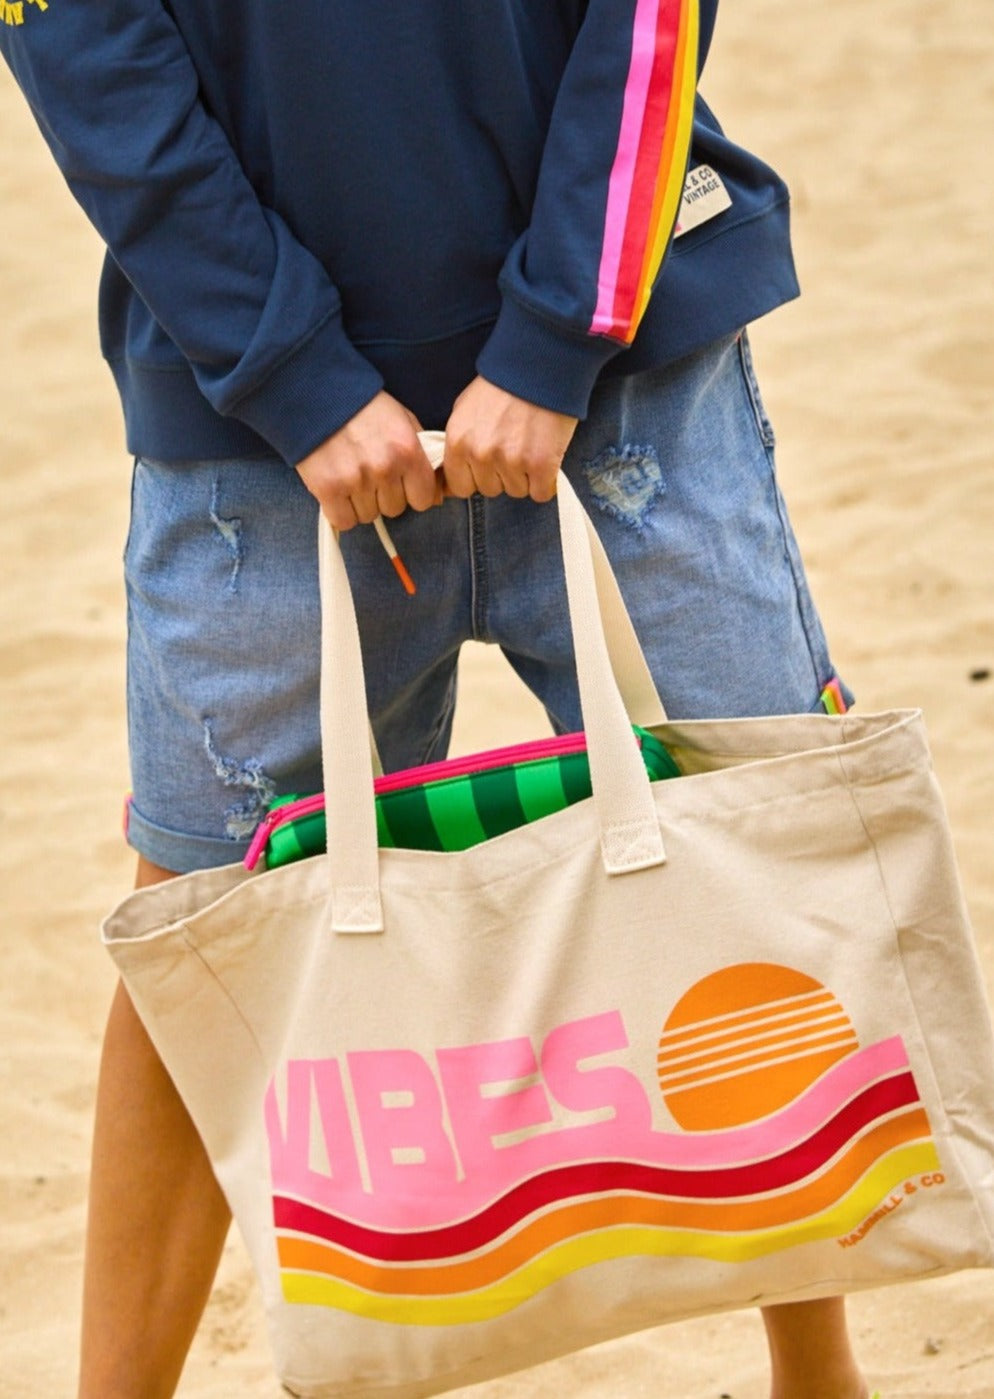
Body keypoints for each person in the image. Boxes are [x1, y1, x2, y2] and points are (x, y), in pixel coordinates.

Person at [2, 2, 874, 1396]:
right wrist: (290, 370)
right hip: (254, 440)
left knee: (745, 856)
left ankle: (819, 1379)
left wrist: (554, 334)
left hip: (623, 377)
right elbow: (88, 54)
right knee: (204, 940)